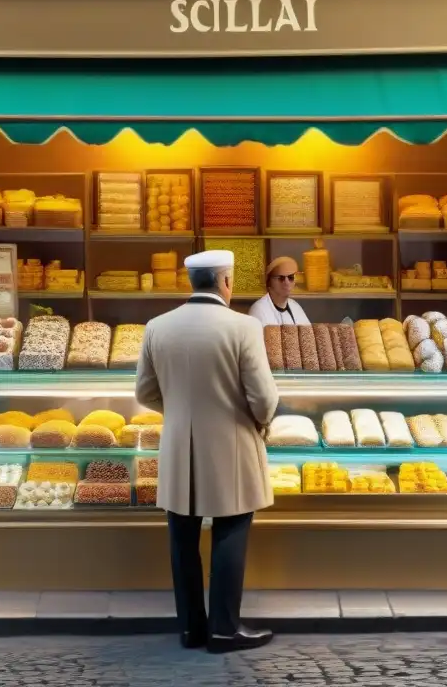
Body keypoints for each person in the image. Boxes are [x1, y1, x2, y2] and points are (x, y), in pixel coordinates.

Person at [135, 249, 280, 654]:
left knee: (182, 538)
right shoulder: (243, 327)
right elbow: (263, 398)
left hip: (179, 445)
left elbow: (144, 392)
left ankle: (191, 629)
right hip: (232, 445)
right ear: (225, 281)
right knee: (230, 532)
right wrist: (260, 420)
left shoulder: (157, 326)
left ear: (191, 281)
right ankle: (224, 629)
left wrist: (181, 411)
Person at [248, 256, 312, 326]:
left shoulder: (295, 306)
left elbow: (308, 334)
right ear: (269, 282)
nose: (287, 282)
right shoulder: (259, 310)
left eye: (290, 277)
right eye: (281, 278)